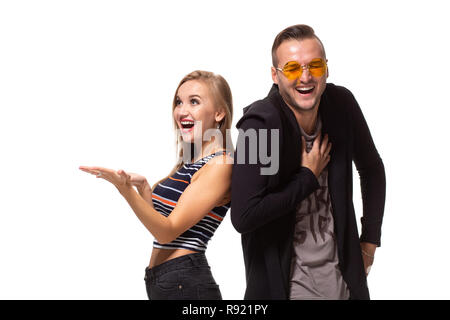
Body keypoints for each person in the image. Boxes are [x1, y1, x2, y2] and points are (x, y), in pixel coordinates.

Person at [231, 24, 386, 300]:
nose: (305, 77)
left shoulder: (341, 104)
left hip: (345, 286)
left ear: (326, 69)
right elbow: (244, 216)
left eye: (314, 65)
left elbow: (372, 170)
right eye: (291, 68)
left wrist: (369, 243)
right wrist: (306, 177)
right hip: (287, 288)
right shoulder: (260, 125)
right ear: (275, 76)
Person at [79, 70, 234, 300]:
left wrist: (125, 191)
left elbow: (166, 232)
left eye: (194, 101)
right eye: (179, 102)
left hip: (187, 285)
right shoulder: (193, 162)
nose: (182, 111)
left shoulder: (220, 163)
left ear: (219, 113)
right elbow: (159, 223)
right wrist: (144, 189)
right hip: (167, 282)